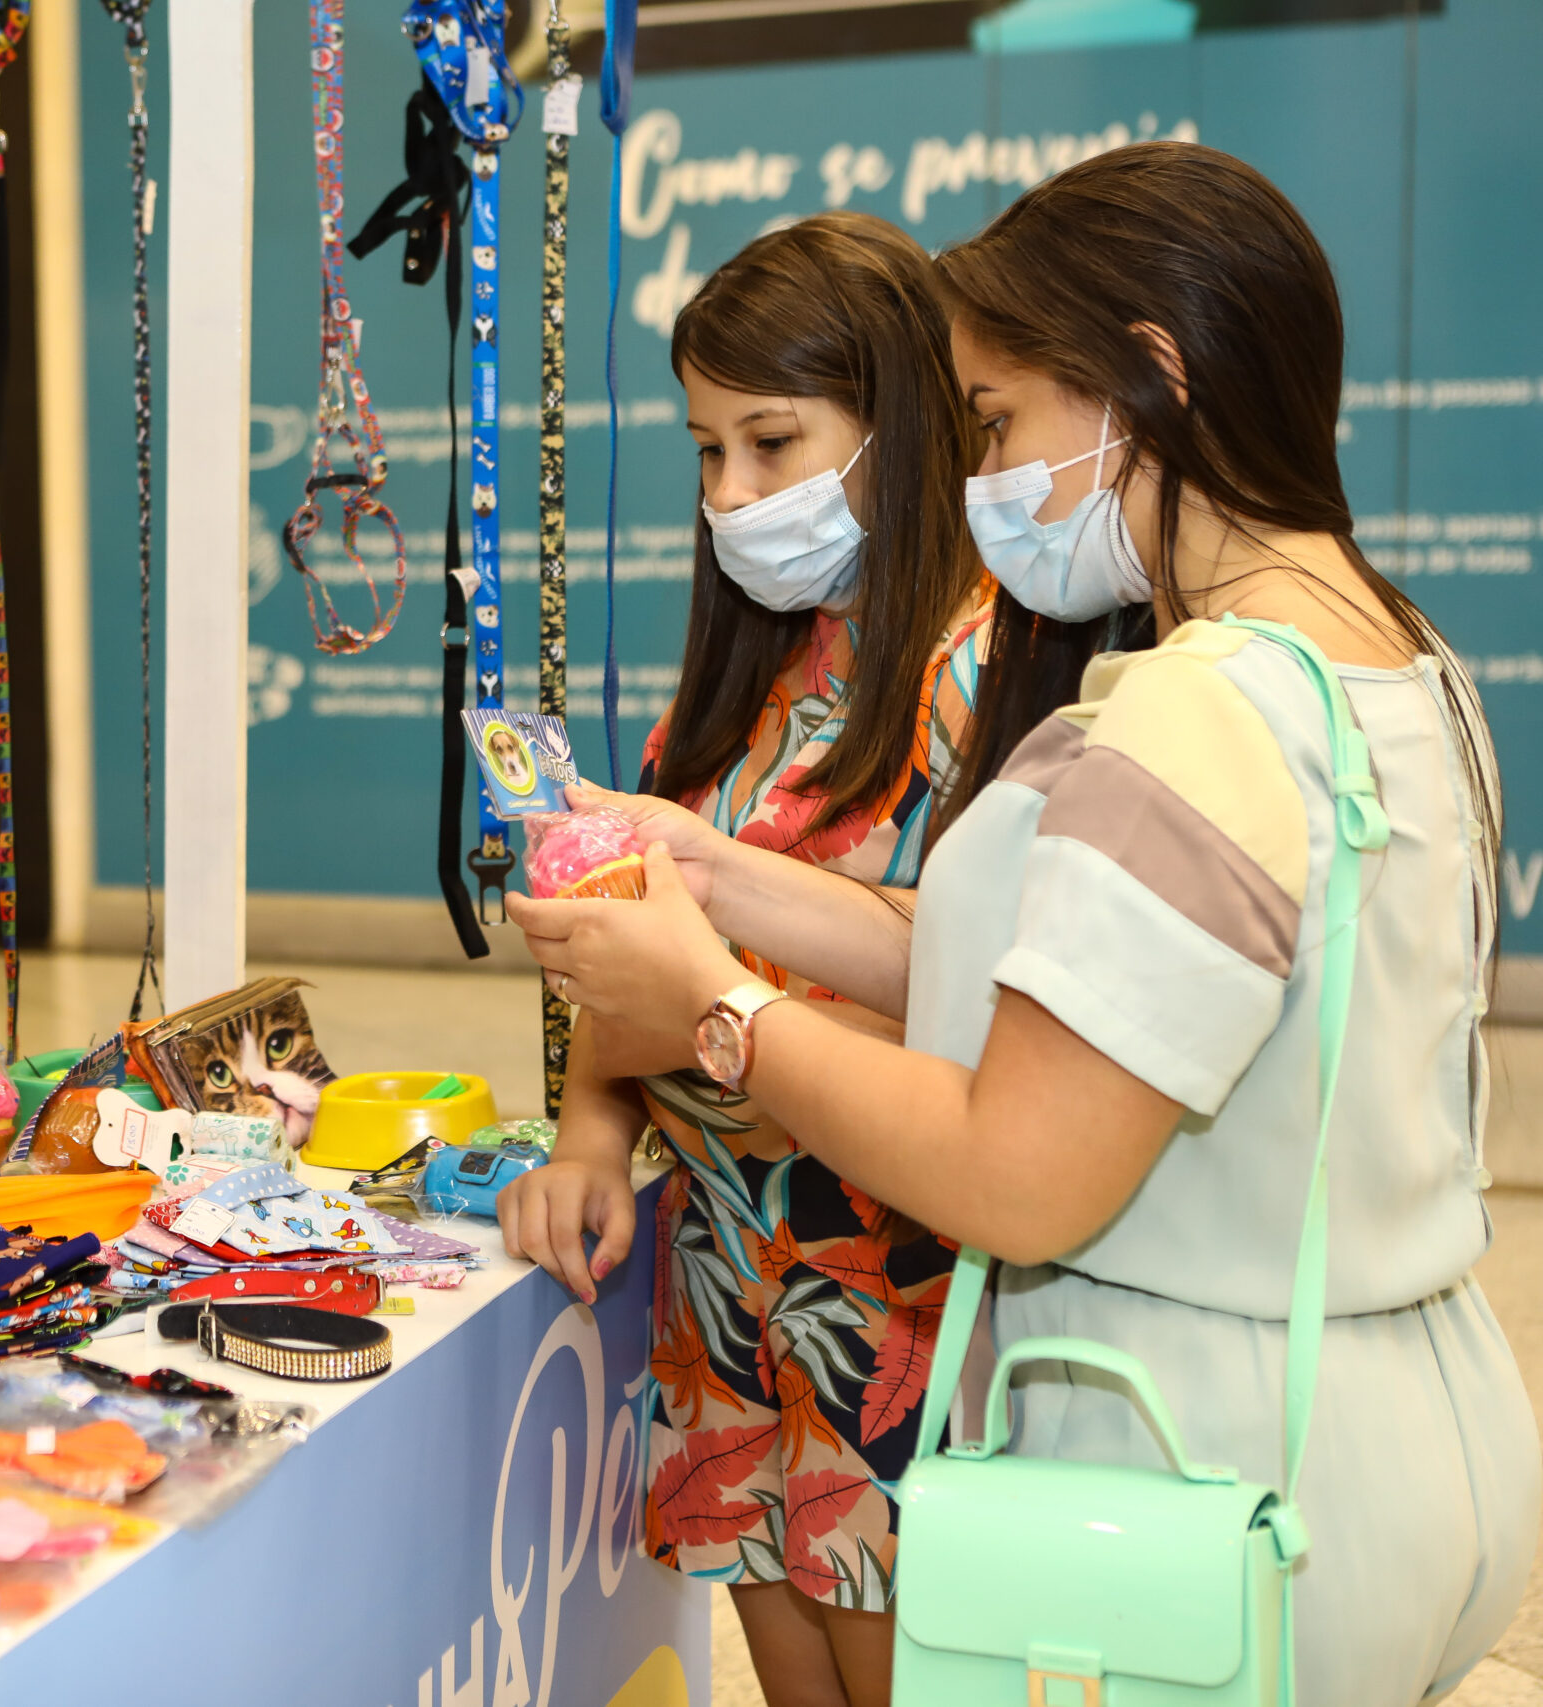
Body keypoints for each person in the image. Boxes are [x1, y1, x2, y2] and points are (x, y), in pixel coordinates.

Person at [510, 142, 1538, 1704]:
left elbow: (1017, 1169)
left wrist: (722, 1005)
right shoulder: (1397, 668)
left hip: (1205, 1459)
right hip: (1409, 1419)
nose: (981, 470)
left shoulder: (1200, 714)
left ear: (1145, 383)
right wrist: (722, 880)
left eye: (996, 420)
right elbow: (1083, 984)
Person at [498, 210, 991, 1707]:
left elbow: (1006, 983)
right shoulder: (743, 683)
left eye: (772, 444)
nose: (734, 495)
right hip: (726, 1299)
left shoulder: (993, 669)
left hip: (902, 1304)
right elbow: (637, 956)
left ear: (899, 428)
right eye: (709, 453)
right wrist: (590, 1132)